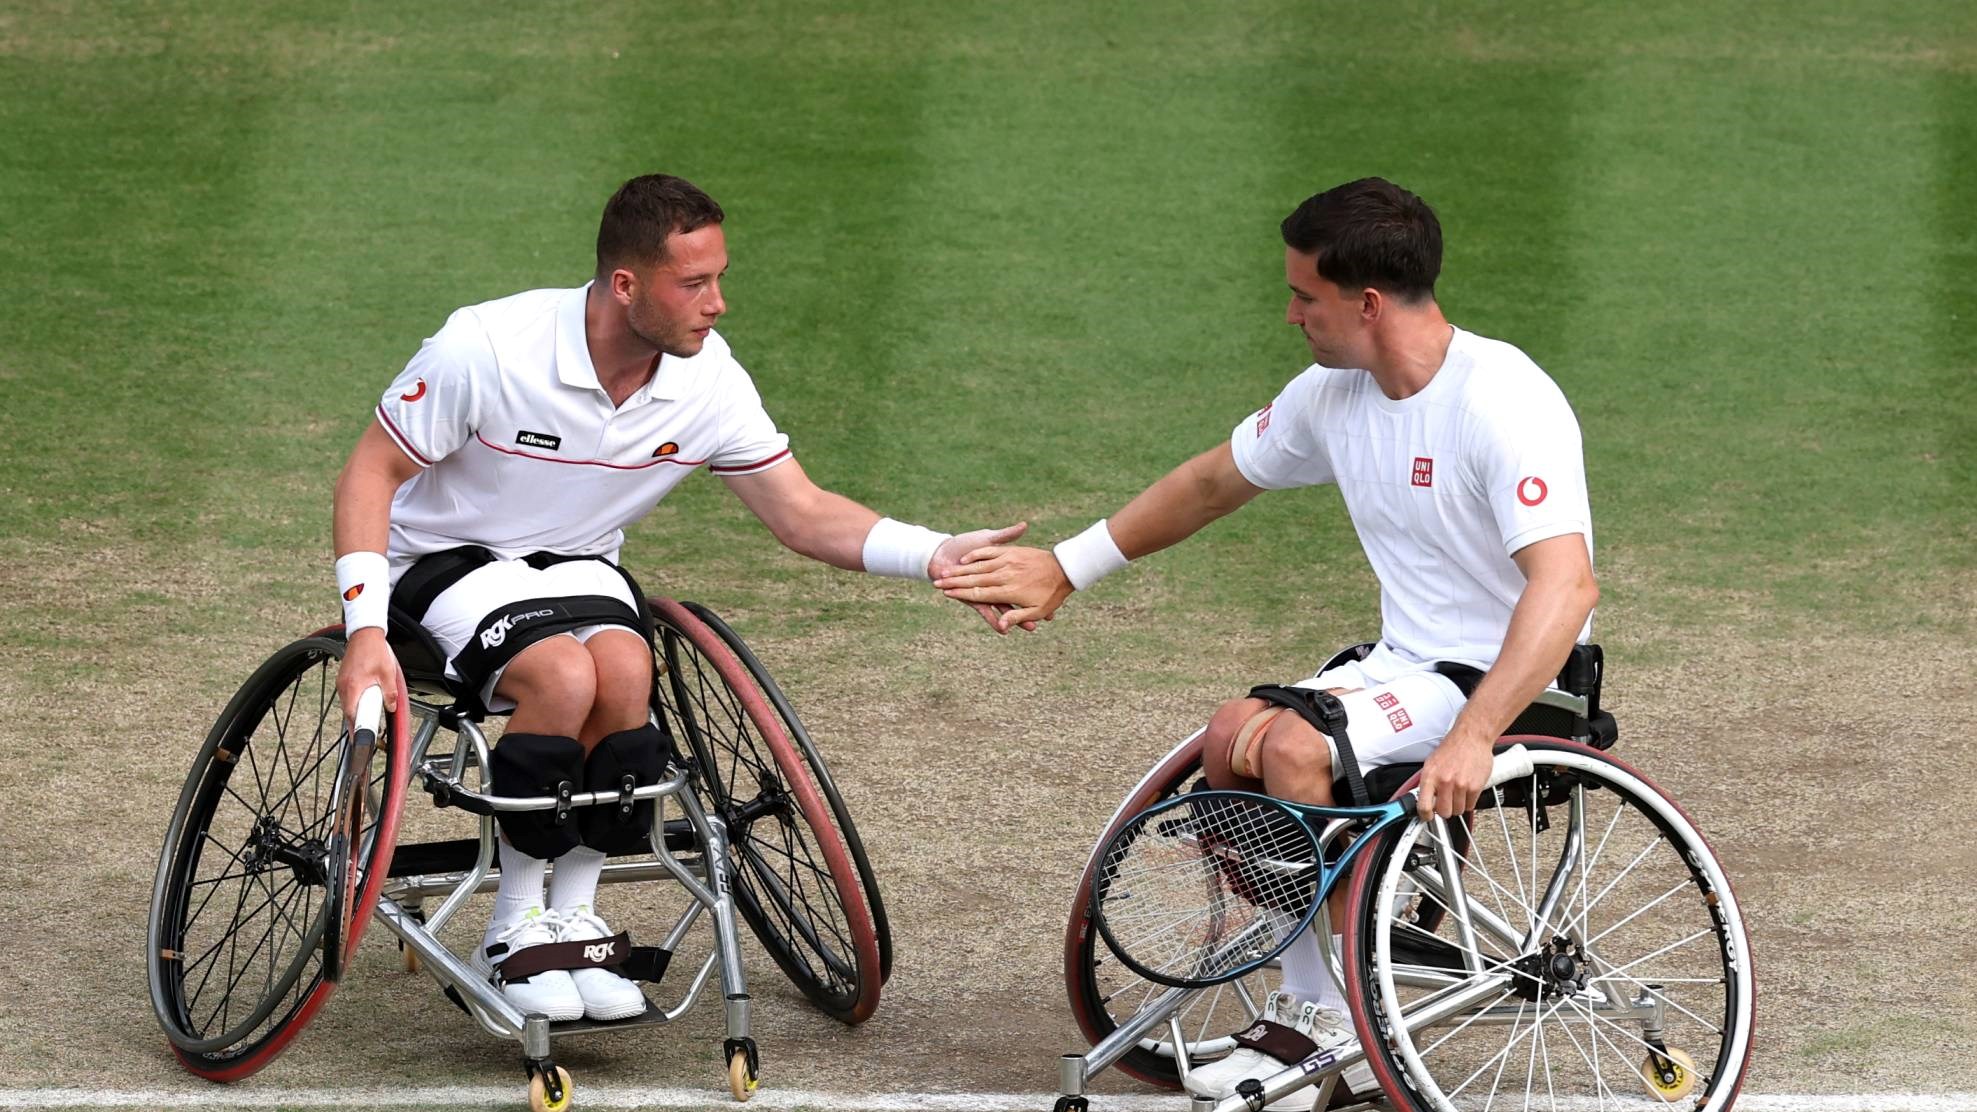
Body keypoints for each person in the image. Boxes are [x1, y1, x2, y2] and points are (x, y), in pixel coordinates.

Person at [934, 177, 1598, 1108]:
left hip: (1515, 676)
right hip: (1406, 664)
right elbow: (1211, 482)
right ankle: (1331, 974)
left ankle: (1335, 1018)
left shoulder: (1503, 401)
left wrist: (1476, 734)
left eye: (1304, 296)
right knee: (1229, 737)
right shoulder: (1334, 394)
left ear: (1366, 303)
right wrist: (1065, 568)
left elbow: (1565, 587)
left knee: (1292, 745)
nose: (1290, 316)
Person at [331, 173, 1025, 1024]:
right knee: (561, 678)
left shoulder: (709, 381)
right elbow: (372, 472)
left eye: (719, 278)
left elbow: (801, 512)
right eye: (694, 284)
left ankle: (571, 919)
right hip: (440, 560)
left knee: (624, 669)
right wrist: (365, 631)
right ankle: (512, 929)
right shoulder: (487, 346)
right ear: (627, 286)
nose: (718, 304)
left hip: (575, 563)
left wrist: (936, 556)